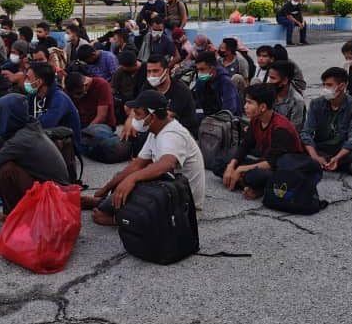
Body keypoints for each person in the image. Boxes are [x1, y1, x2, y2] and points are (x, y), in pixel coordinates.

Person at [85, 90, 205, 226]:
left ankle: (119, 219)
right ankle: (104, 201)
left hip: (184, 207)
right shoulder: (156, 131)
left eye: (138, 114)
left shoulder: (172, 134)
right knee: (124, 178)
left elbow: (167, 164)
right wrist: (106, 188)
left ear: (152, 117)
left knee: (134, 184)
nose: (134, 118)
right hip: (168, 190)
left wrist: (132, 179)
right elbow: (137, 165)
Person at [216, 84, 304, 199]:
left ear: (262, 107)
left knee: (255, 175)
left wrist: (240, 169)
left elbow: (272, 163)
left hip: (283, 168)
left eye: (249, 103)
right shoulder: (256, 120)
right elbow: (245, 145)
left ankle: (255, 186)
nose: (245, 106)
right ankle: (249, 185)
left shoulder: (280, 128)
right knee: (220, 162)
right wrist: (231, 166)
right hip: (264, 161)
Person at [300, 67, 352, 172]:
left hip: (343, 148)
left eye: (329, 85)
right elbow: (306, 133)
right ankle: (341, 164)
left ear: (341, 86)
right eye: (324, 85)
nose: (325, 89)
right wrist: (315, 156)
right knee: (299, 147)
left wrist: (337, 157)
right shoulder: (316, 104)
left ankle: (334, 162)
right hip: (321, 147)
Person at [26, 62, 82, 152]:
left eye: (28, 78)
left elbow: (45, 124)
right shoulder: (33, 95)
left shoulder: (59, 98)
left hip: (67, 146)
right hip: (43, 138)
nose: (26, 81)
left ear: (39, 82)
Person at [192, 51, 241, 117]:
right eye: (198, 70)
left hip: (227, 119)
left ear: (212, 68)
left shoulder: (225, 82)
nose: (199, 73)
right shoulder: (200, 82)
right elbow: (198, 104)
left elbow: (229, 110)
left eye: (202, 69)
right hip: (209, 115)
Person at [267, 60, 306, 129]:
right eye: (269, 77)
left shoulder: (297, 101)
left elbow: (293, 130)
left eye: (273, 78)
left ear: (285, 80)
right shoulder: (268, 93)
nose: (269, 81)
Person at [111, 51, 142, 124]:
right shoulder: (119, 72)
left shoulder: (145, 69)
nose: (122, 67)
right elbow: (113, 89)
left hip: (141, 100)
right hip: (124, 101)